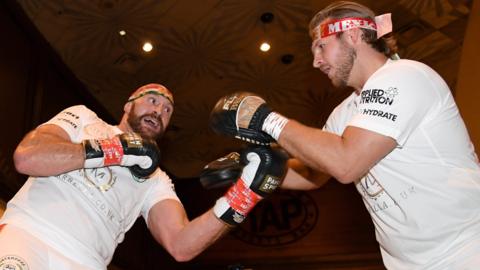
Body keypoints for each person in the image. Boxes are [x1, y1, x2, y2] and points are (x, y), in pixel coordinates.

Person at [209, 1, 480, 269]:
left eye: (320, 46)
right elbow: (315, 172)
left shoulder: (404, 76)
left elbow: (346, 163)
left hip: (467, 250)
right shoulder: (344, 113)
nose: (315, 62)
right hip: (410, 264)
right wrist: (249, 167)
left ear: (352, 34)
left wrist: (264, 118)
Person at [0, 83, 287, 270]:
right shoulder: (85, 118)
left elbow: (180, 245)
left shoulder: (156, 178)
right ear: (128, 104)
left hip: (85, 262)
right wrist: (114, 150)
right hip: (28, 234)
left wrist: (244, 194)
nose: (159, 111)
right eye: (152, 101)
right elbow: (28, 157)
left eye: (167, 111)